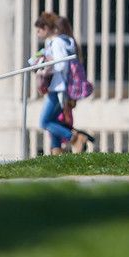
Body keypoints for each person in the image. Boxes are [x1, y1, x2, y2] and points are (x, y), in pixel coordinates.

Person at [33, 12, 87, 155]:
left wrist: (45, 69)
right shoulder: (54, 42)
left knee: (44, 122)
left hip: (58, 87)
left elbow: (62, 65)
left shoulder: (57, 42)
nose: (37, 33)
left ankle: (75, 138)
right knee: (53, 120)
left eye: (39, 30)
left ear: (46, 28)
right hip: (57, 87)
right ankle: (57, 151)